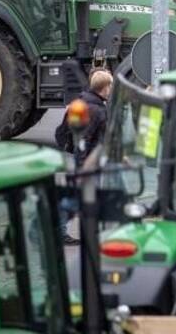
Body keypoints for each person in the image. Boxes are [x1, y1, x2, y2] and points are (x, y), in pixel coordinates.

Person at [55, 69, 113, 243]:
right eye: (111, 85)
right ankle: (56, 229)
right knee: (78, 198)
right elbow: (84, 140)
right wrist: (83, 168)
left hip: (81, 157)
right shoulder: (95, 109)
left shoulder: (81, 102)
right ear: (106, 87)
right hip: (87, 161)